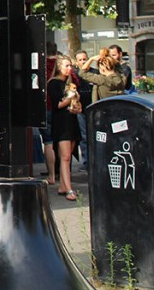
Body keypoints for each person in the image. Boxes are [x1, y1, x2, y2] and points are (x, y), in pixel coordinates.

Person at [48, 56, 82, 200]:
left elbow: (76, 105)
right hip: (61, 123)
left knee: (67, 157)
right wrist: (71, 97)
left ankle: (64, 185)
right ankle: (68, 189)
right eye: (67, 66)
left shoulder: (69, 82)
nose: (70, 69)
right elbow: (57, 104)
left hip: (71, 120)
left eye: (71, 66)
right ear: (59, 66)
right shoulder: (54, 83)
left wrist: (76, 106)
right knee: (65, 156)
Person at [73, 50, 94, 171]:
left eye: (84, 59)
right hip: (80, 109)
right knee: (84, 136)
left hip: (92, 107)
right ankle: (86, 162)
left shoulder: (94, 73)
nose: (82, 62)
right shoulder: (74, 74)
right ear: (76, 62)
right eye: (80, 60)